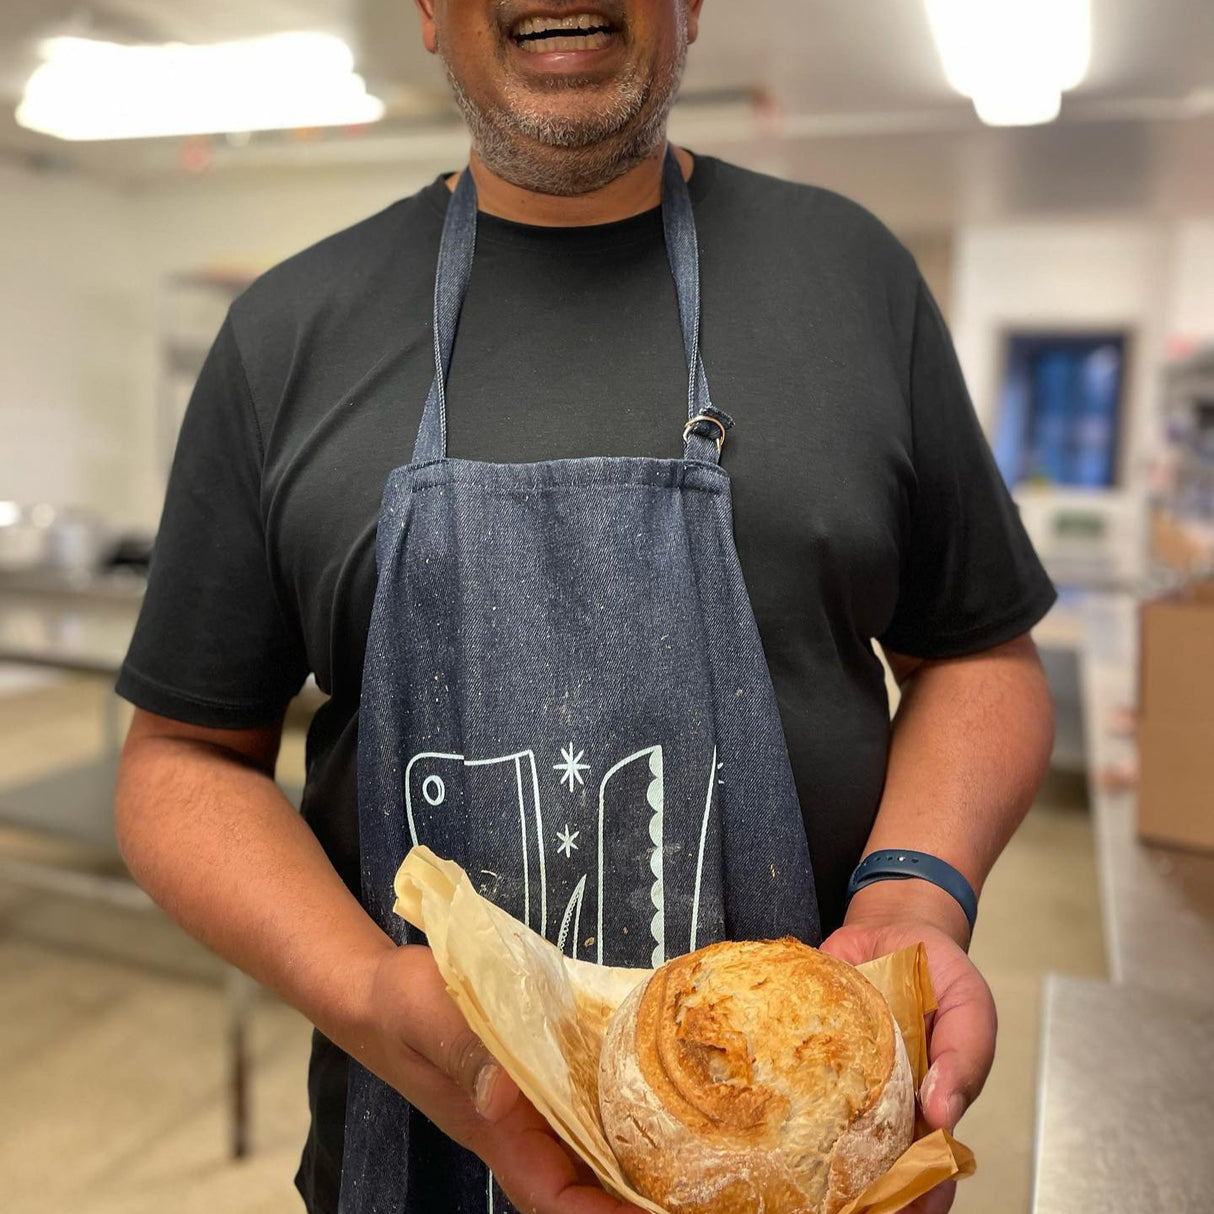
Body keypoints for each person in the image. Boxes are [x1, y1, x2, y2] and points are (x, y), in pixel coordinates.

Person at [113, 1, 1056, 1212]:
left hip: (812, 1154)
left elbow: (976, 652)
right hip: (414, 1139)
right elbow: (182, 758)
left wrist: (914, 892)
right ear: (423, 9)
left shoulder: (849, 278)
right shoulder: (287, 332)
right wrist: (370, 993)